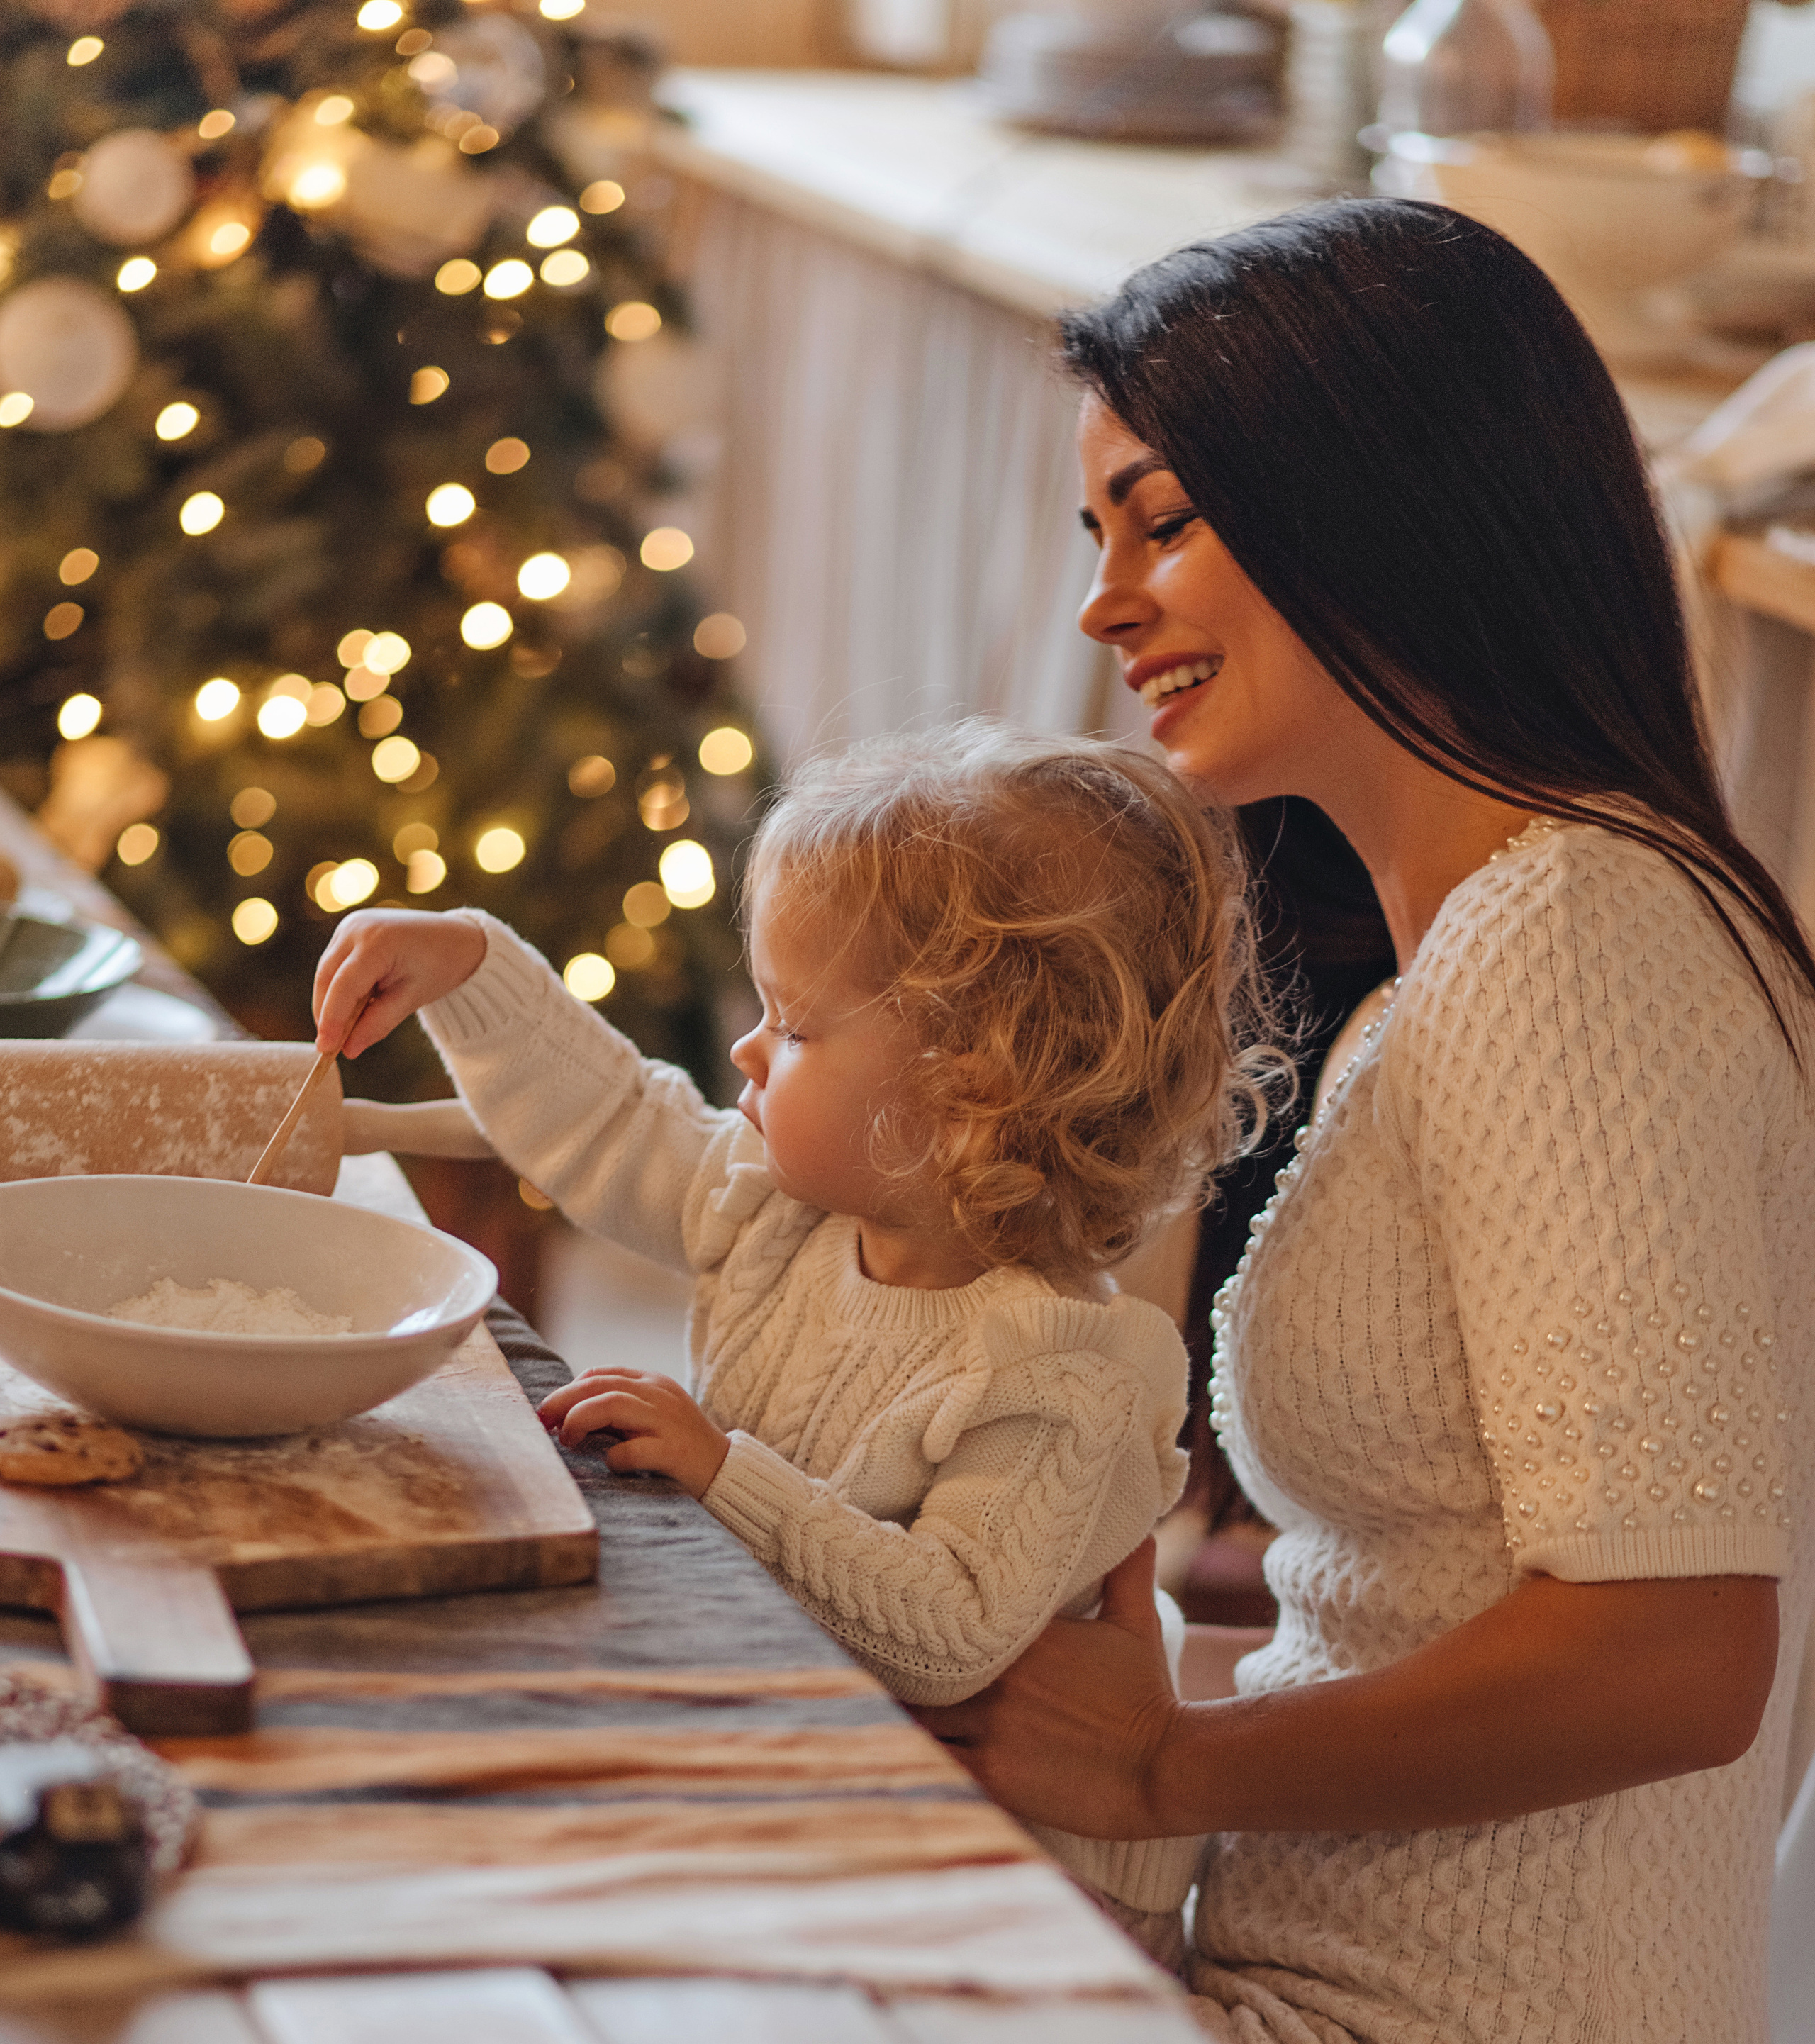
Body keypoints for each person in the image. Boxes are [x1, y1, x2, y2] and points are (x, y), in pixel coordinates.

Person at [912, 199, 1815, 2043]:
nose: (1104, 600)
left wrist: (1164, 1763)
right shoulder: (1475, 954)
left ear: (1382, 502)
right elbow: (1416, 1610)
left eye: (1166, 520)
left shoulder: (1575, 940)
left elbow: (1672, 1652)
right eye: (1098, 536)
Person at [311, 721, 1278, 1962]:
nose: (748, 1050)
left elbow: (947, 1632)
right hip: (807, 1769)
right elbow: (616, 1122)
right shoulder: (782, 1207)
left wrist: (725, 1473)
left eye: (797, 1026)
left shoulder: (1060, 1371)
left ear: (971, 1094)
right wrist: (473, 967)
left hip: (1008, 1886)